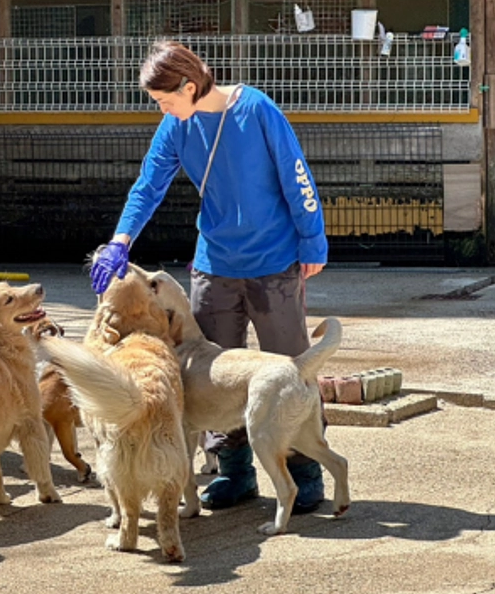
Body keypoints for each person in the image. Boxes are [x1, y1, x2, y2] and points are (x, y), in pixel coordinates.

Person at [90, 40, 328, 514]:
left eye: (165, 101)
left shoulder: (256, 109)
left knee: (291, 366)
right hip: (213, 266)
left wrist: (312, 240)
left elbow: (295, 174)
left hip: (274, 263)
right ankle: (233, 472)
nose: (163, 110)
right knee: (213, 375)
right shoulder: (176, 125)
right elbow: (149, 183)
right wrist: (121, 240)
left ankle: (305, 471)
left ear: (190, 86)